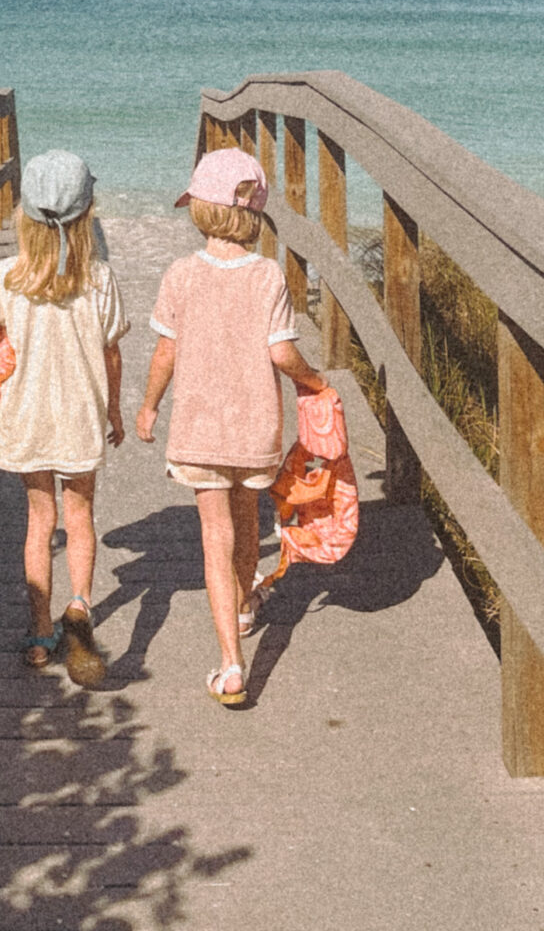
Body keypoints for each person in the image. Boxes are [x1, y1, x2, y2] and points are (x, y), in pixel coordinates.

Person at [136, 147, 326, 706]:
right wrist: (313, 381)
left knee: (214, 538)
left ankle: (230, 664)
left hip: (198, 430)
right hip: (255, 432)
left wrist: (149, 407)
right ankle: (246, 607)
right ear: (254, 215)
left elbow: (165, 353)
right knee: (248, 527)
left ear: (198, 208)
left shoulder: (180, 275)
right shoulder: (268, 276)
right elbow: (284, 354)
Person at [0, 149, 128, 686]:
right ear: (86, 218)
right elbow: (112, 354)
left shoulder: (7, 278)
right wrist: (116, 411)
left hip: (28, 419)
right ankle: (78, 606)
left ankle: (39, 633)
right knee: (80, 517)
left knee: (40, 523)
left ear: (23, 219)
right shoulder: (99, 279)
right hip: (81, 416)